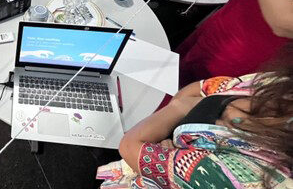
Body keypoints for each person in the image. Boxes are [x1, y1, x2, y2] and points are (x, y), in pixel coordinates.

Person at [97, 69, 293, 188]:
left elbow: (130, 146)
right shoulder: (278, 83)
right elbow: (202, 87)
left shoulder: (254, 177)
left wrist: (180, 109)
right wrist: (169, 146)